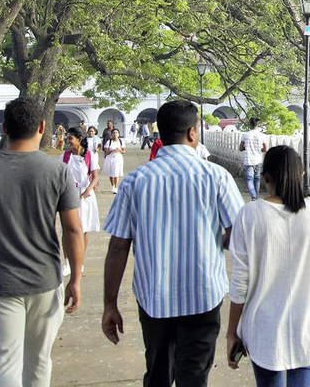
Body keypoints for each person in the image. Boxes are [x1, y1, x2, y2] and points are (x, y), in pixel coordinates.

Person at [102, 100, 244, 387]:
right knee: (194, 377)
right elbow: (239, 237)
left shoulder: (135, 182)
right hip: (203, 296)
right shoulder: (216, 177)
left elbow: (118, 246)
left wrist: (110, 303)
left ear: (161, 135)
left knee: (157, 373)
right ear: (193, 133)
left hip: (154, 298)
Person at [0, 97, 84, 387]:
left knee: (3, 360)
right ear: (43, 127)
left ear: (4, 127)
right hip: (44, 279)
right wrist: (76, 278)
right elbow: (73, 229)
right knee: (39, 359)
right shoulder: (57, 172)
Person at [227, 145, 310, 387]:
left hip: (264, 332)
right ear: (301, 174)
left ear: (266, 177)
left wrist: (232, 332)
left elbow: (240, 282)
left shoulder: (250, 215)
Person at [62, 127, 100, 274]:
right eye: (67, 138)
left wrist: (87, 191)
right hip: (69, 194)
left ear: (79, 139)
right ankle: (66, 262)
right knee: (67, 229)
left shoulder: (90, 156)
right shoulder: (65, 157)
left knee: (83, 229)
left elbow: (95, 176)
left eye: (71, 138)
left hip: (85, 195)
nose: (68, 141)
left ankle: (79, 262)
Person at [240, 117, 268, 200]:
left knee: (249, 179)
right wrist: (259, 149)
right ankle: (256, 196)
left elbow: (241, 148)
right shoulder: (262, 135)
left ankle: (253, 196)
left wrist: (247, 147)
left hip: (248, 160)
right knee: (257, 178)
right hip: (258, 159)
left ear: (250, 124)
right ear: (258, 124)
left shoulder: (245, 135)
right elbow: (265, 149)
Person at [102, 128, 125, 193]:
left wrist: (119, 150)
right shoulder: (109, 142)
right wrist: (112, 150)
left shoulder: (121, 141)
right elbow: (106, 152)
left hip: (118, 158)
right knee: (111, 173)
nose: (115, 134)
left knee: (116, 172)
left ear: (118, 134)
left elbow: (124, 151)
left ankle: (116, 187)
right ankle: (113, 185)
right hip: (110, 158)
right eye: (113, 133)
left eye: (116, 133)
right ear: (111, 134)